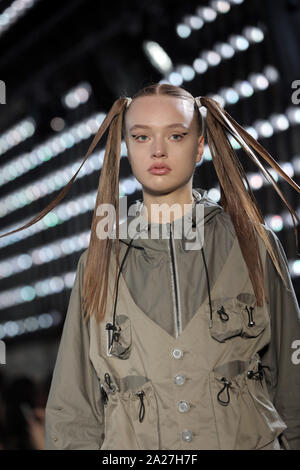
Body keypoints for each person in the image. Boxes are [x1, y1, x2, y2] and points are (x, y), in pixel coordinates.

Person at [1, 84, 300, 450]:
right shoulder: (97, 264)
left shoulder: (255, 246)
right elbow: (74, 411)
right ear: (126, 146)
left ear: (201, 145)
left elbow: (292, 386)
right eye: (142, 137)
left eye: (176, 135)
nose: (158, 150)